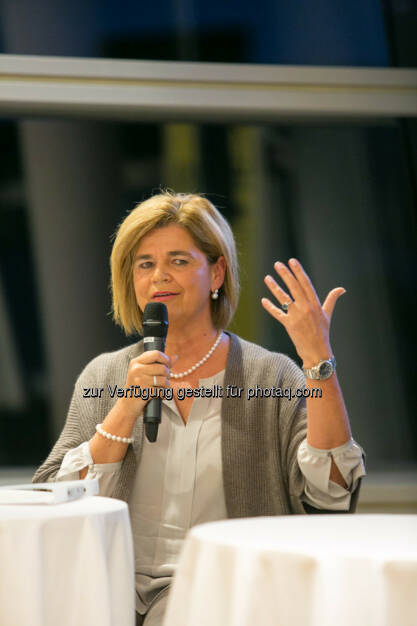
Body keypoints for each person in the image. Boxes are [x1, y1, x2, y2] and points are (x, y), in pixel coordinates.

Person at [33, 191, 366, 626]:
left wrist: (317, 359)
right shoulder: (104, 375)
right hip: (107, 588)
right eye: (145, 264)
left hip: (228, 589)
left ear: (217, 273)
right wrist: (125, 410)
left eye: (178, 260)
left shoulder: (271, 376)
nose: (159, 276)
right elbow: (55, 498)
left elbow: (330, 493)